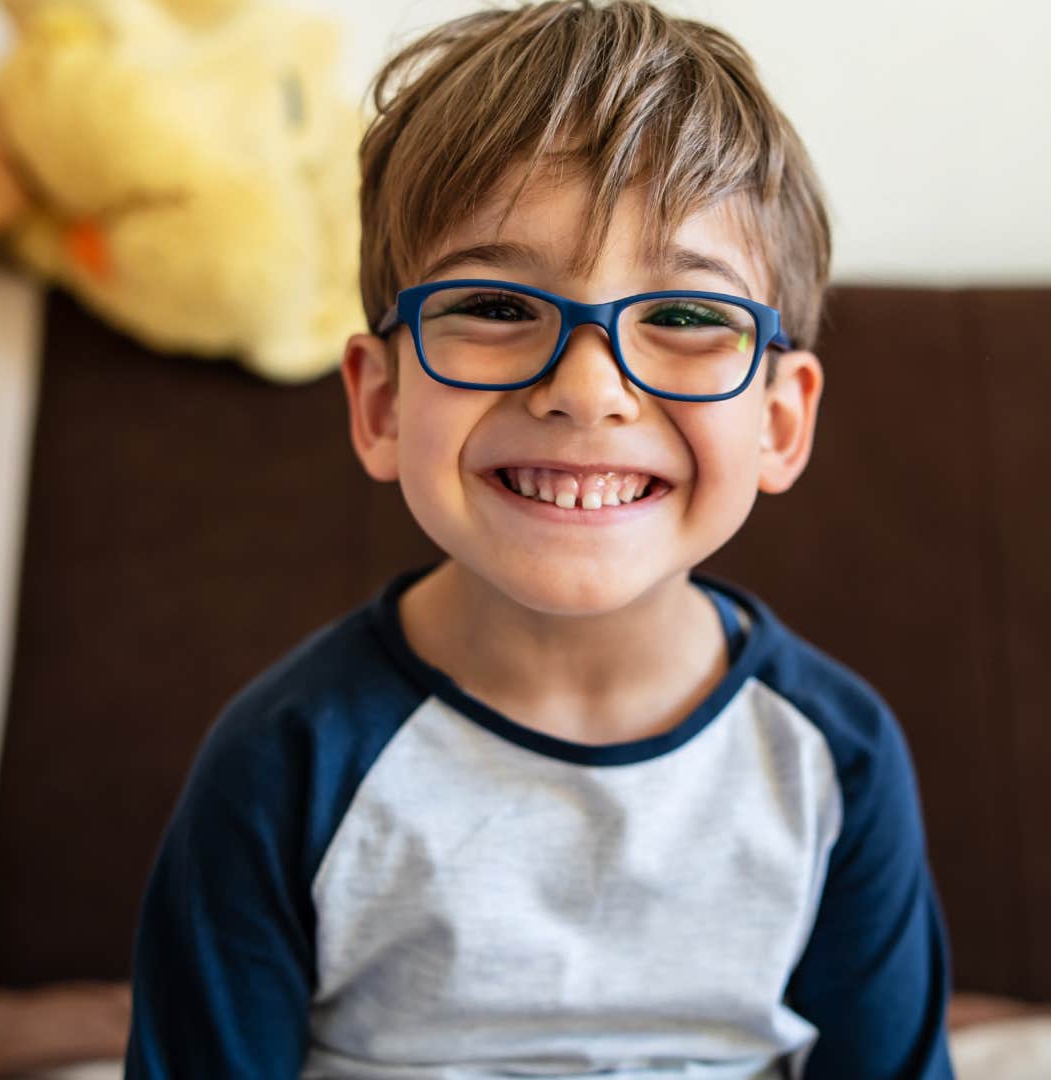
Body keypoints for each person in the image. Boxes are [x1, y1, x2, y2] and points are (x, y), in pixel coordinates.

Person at [123, 2, 954, 1077]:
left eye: (691, 319)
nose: (587, 390)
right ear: (378, 403)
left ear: (781, 422)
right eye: (496, 304)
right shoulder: (287, 762)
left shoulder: (833, 759)